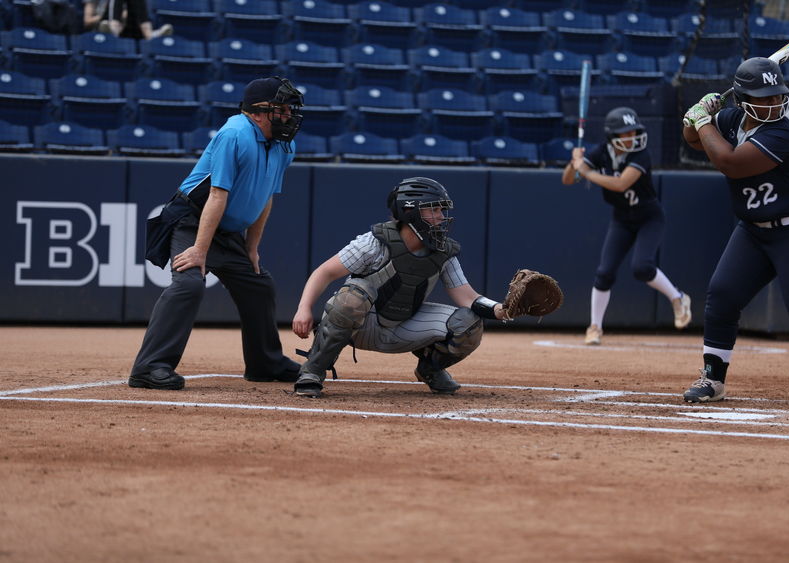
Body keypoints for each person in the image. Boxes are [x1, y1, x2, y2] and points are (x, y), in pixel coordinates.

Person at [681, 57, 789, 403]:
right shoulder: (732, 119)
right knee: (723, 294)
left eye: (776, 95)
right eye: (763, 97)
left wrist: (702, 121)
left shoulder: (782, 132)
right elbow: (694, 141)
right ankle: (713, 379)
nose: (773, 103)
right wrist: (696, 115)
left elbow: (730, 164)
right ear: (742, 100)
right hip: (754, 230)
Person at [129, 76, 305, 390]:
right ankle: (149, 368)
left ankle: (265, 363)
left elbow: (265, 197)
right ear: (257, 113)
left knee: (258, 284)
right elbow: (216, 195)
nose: (288, 116)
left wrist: (251, 248)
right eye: (281, 110)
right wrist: (199, 249)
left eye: (289, 110)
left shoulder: (284, 145)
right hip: (192, 221)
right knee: (189, 285)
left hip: (227, 231)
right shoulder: (234, 133)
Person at [290, 177, 509, 398]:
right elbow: (324, 272)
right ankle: (313, 370)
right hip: (361, 326)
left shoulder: (443, 250)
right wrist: (304, 308)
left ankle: (430, 369)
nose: (442, 216)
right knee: (352, 296)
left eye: (442, 210)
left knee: (469, 322)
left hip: (405, 325)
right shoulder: (374, 242)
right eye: (433, 209)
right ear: (409, 211)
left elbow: (468, 297)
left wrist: (502, 309)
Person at [562, 107, 692, 346]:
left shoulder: (641, 154)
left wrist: (586, 172)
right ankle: (594, 327)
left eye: (634, 131)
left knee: (642, 267)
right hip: (622, 219)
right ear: (613, 136)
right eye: (625, 133)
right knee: (604, 272)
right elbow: (568, 180)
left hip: (648, 217)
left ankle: (678, 298)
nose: (632, 137)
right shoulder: (601, 151)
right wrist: (575, 163)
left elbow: (621, 184)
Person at [84, 0, 173, 39]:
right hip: (102, 25)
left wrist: (125, 14)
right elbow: (87, 21)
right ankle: (112, 28)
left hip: (127, 27)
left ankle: (149, 34)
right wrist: (103, 16)